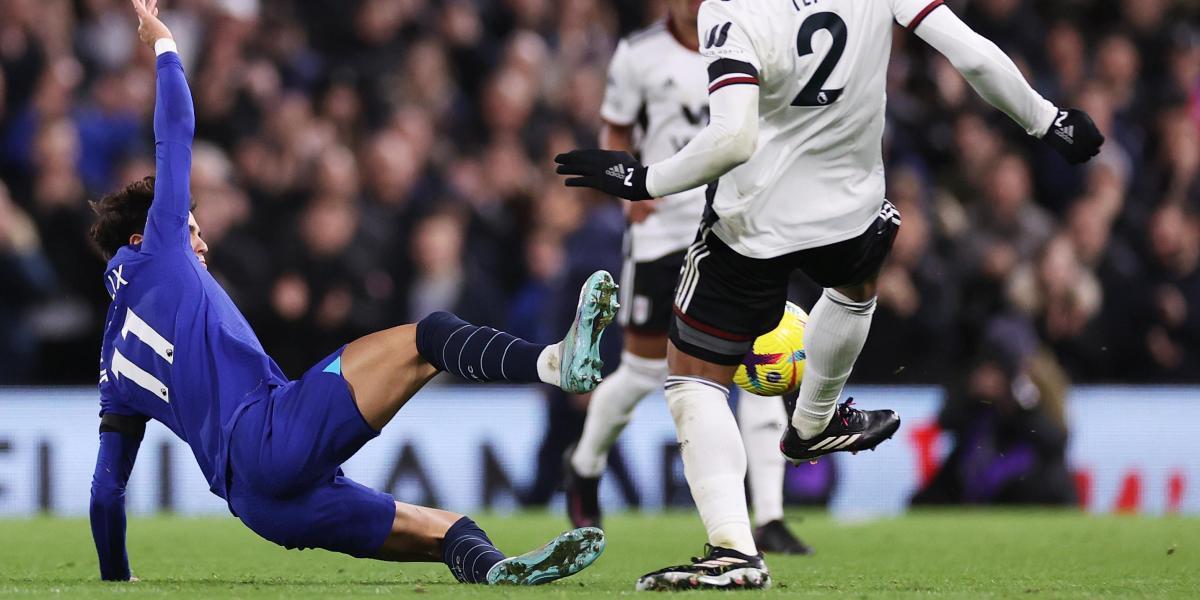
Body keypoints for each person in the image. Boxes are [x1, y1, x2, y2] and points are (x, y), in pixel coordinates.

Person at [556, 0, 1103, 590]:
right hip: (852, 213)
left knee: (693, 378)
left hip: (755, 224)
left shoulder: (732, 9)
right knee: (854, 289)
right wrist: (1047, 120)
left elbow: (733, 139)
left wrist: (643, 179)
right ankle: (814, 419)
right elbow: (969, 53)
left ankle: (734, 550)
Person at [89, 0, 618, 585]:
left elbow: (107, 492)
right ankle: (554, 361)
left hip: (259, 507)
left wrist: (117, 580)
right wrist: (163, 42)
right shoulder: (161, 252)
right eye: (192, 230)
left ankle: (496, 570)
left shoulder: (114, 361)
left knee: (446, 531)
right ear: (143, 236)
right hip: (271, 434)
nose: (201, 242)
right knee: (430, 336)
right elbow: (176, 131)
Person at [562, 0, 810, 556]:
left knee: (759, 363)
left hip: (737, 227)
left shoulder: (753, 35)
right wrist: (628, 191)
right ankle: (584, 464)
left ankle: (769, 515)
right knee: (643, 371)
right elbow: (617, 126)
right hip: (663, 230)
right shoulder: (639, 54)